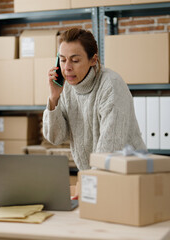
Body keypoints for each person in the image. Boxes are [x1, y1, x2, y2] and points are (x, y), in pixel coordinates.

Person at [43, 28, 146, 172]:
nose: (67, 68)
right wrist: (54, 98)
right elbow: (55, 137)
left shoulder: (111, 84)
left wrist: (89, 183)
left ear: (93, 60)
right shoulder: (66, 87)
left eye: (75, 60)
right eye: (63, 59)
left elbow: (109, 148)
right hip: (96, 175)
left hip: (128, 172)